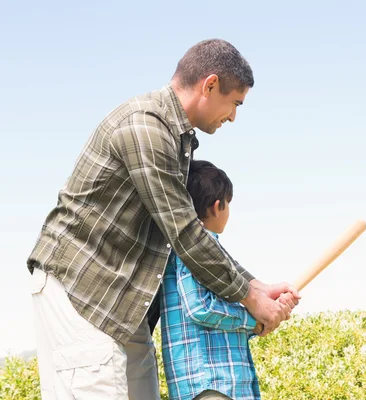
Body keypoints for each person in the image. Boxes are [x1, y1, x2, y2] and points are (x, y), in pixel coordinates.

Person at [27, 38, 300, 399]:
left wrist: (256, 285)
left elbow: (187, 229)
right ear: (210, 84)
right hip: (82, 290)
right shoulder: (145, 127)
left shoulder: (176, 138)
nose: (234, 116)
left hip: (124, 302)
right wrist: (251, 298)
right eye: (235, 103)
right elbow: (185, 232)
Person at [162, 160, 295, 400]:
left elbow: (225, 322)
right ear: (216, 207)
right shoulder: (192, 250)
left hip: (223, 384)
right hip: (209, 384)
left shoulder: (217, 259)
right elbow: (200, 308)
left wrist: (267, 315)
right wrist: (253, 319)